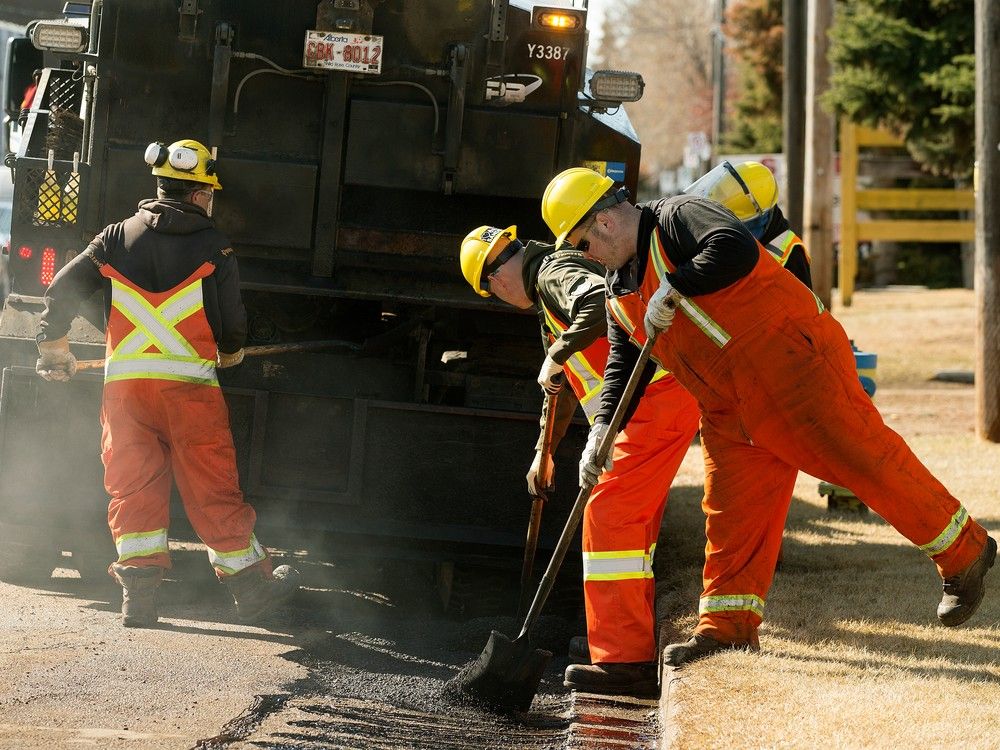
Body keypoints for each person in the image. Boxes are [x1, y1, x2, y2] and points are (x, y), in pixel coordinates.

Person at [540, 167, 996, 666]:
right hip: (729, 406)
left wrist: (676, 286)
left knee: (864, 461)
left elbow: (731, 247)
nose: (584, 258)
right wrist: (602, 431)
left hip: (793, 366)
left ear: (603, 222)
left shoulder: (676, 216)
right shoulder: (615, 287)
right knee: (732, 511)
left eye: (581, 244)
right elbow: (625, 364)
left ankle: (965, 551)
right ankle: (727, 627)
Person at [34, 138, 298, 628]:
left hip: (126, 394)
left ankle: (139, 602)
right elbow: (232, 321)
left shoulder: (113, 238)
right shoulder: (214, 247)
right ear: (200, 194)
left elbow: (62, 287)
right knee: (212, 489)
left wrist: (54, 346)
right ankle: (252, 591)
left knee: (133, 488)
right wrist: (231, 352)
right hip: (190, 396)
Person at [459, 226, 700, 696]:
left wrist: (557, 351)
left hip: (648, 402)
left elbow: (594, 303)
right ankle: (622, 640)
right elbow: (563, 387)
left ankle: (622, 662)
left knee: (610, 518)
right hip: (647, 406)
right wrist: (544, 453)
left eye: (489, 289)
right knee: (632, 527)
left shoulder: (553, 272)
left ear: (494, 280)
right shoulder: (547, 288)